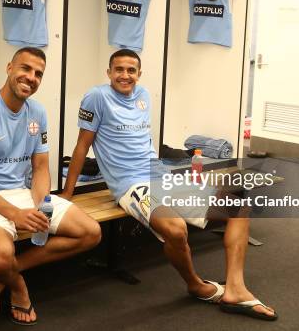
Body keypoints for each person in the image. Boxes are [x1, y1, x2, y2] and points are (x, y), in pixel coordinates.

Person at [61, 49, 277, 321]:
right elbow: (82, 145)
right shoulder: (97, 97)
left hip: (159, 174)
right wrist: (67, 193)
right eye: (119, 70)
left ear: (139, 74)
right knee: (175, 230)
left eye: (131, 70)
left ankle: (235, 287)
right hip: (130, 185)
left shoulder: (143, 97)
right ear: (109, 73)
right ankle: (195, 284)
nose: (124, 75)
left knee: (238, 208)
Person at [0, 47, 101, 325]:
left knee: (90, 233)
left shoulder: (37, 112)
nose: (31, 77)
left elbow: (40, 168)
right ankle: (17, 284)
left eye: (38, 74)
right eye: (25, 68)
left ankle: (3, 277)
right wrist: (16, 214)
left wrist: (41, 203)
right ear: (9, 67)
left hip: (22, 194)